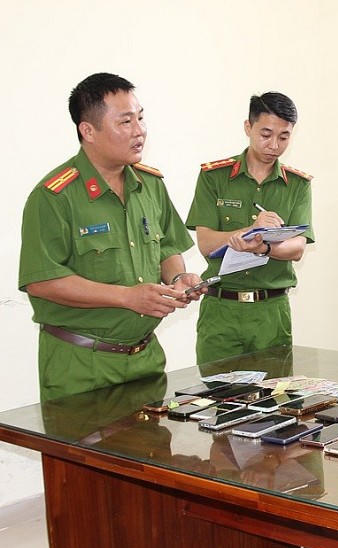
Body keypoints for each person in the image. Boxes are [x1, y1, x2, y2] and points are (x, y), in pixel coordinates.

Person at [18, 72, 201, 401]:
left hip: (145, 360)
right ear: (88, 131)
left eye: (140, 118)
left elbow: (167, 246)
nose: (139, 131)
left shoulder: (150, 185)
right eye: (125, 122)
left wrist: (177, 279)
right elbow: (42, 281)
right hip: (81, 365)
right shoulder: (55, 196)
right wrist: (127, 297)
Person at [186, 92, 314, 364]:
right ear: (248, 127)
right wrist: (249, 230)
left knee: (274, 390)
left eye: (284, 137)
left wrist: (262, 247)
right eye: (266, 134)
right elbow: (206, 243)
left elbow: (297, 247)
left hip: (271, 311)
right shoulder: (214, 177)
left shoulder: (297, 185)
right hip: (221, 309)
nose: (274, 145)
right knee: (217, 389)